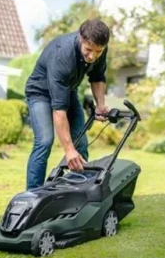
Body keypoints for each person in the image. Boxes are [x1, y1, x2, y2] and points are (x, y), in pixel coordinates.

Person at [24, 18, 110, 190]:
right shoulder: (62, 55)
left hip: (67, 90)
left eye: (98, 51)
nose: (92, 56)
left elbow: (97, 77)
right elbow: (59, 111)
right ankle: (32, 196)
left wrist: (100, 105)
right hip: (40, 93)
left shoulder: (99, 51)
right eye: (88, 50)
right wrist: (69, 150)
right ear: (81, 39)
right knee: (44, 141)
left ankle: (75, 190)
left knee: (81, 142)